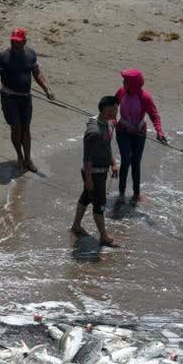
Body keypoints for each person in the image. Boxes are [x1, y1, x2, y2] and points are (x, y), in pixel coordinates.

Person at [0, 27, 54, 173]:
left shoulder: (30, 54)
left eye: (17, 42)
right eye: (12, 41)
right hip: (9, 98)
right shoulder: (3, 57)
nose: (14, 44)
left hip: (25, 98)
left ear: (24, 42)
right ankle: (19, 156)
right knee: (16, 128)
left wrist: (46, 89)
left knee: (26, 129)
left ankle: (28, 159)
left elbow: (37, 74)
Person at [70, 94, 121, 249]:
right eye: (114, 109)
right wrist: (89, 179)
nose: (117, 112)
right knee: (99, 204)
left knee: (86, 197)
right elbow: (87, 159)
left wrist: (113, 163)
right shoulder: (93, 132)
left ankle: (76, 225)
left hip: (102, 170)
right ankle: (104, 237)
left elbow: (107, 147)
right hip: (93, 173)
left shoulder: (109, 124)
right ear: (106, 109)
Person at [113, 68, 167, 204]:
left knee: (136, 162)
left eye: (125, 81)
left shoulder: (145, 98)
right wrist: (113, 121)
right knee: (126, 160)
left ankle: (136, 194)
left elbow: (154, 116)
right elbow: (112, 108)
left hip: (139, 132)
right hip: (123, 131)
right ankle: (121, 193)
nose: (123, 83)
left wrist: (159, 132)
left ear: (133, 85)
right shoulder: (121, 92)